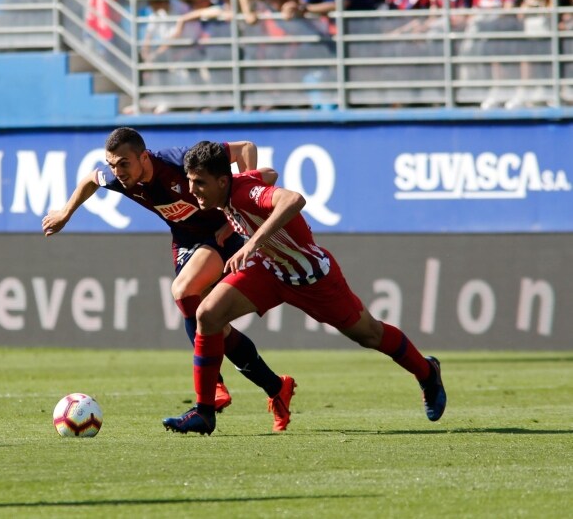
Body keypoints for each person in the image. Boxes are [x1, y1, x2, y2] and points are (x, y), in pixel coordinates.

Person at [162, 141, 446, 435]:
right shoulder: (233, 191)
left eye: (199, 182)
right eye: (190, 181)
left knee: (370, 334)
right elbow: (268, 173)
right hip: (269, 270)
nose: (192, 190)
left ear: (223, 181)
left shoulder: (244, 193)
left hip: (311, 277)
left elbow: (294, 199)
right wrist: (234, 224)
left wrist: (253, 242)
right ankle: (204, 412)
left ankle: (427, 372)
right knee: (208, 314)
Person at [42, 128, 297, 432]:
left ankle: (213, 388)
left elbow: (245, 148)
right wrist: (65, 213)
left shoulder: (179, 162)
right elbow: (89, 179)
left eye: (123, 163)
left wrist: (238, 209)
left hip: (219, 236)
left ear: (144, 157)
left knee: (184, 291)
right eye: (112, 165)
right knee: (212, 324)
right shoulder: (118, 178)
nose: (117, 172)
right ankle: (275, 387)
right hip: (187, 243)